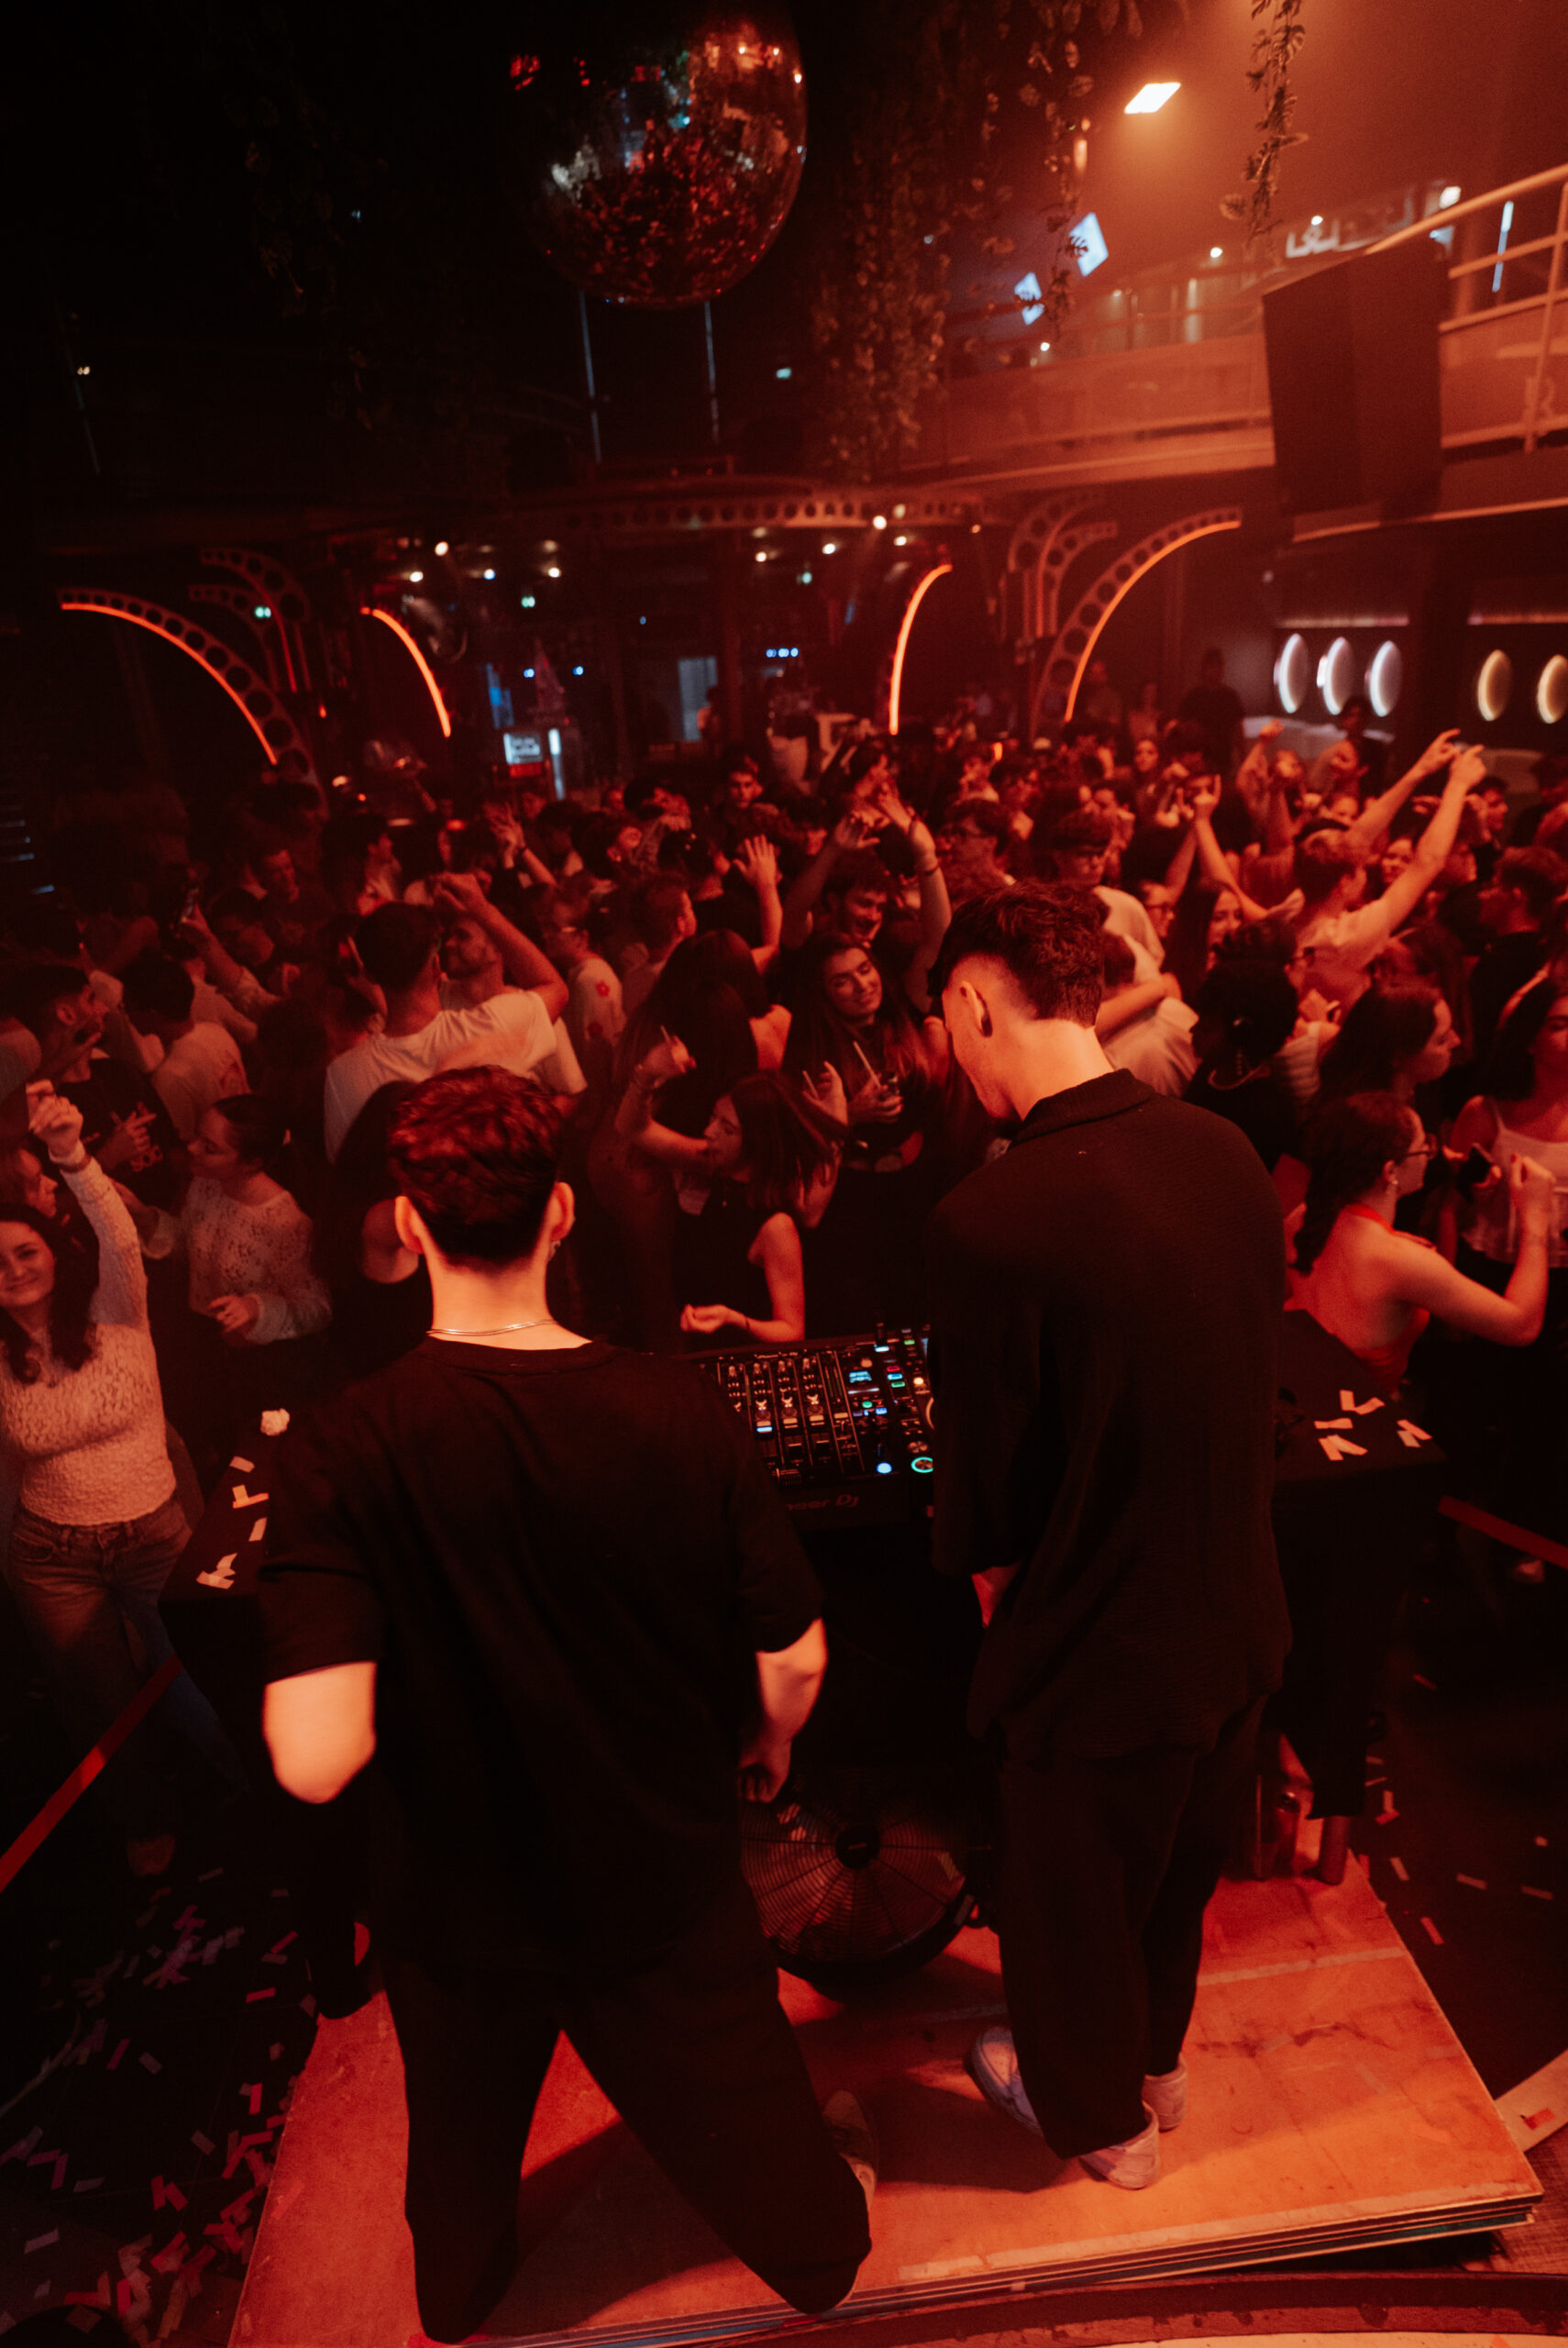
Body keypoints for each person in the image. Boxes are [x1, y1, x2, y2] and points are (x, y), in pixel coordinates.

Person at [258, 1069, 875, 2342]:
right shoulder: (678, 1405)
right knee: (754, 2118)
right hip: (654, 1871)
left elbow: (314, 1761)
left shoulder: (336, 1447)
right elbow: (797, 1656)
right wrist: (769, 1738)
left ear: (411, 1227)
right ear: (559, 1216)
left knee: (461, 2139)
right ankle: (822, 2244)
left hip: (456, 1904)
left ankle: (461, 2294)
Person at [923, 883, 1289, 2188]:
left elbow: (987, 1499)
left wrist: (1006, 1617)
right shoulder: (1223, 1149)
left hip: (1100, 1646)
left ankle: (1098, 2123)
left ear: (974, 1003)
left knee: (1072, 1905)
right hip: (1239, 1614)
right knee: (1174, 1873)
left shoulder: (989, 1217)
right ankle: (1156, 2065)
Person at [2, 1091, 237, 1877]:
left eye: (25, 1252)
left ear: (53, 1252)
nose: (12, 1271)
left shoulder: (115, 1307)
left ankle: (264, 1792)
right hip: (52, 1558)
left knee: (201, 1680)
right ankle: (144, 1818)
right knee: (99, 1704)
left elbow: (117, 1233)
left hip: (153, 1534)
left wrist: (74, 1157)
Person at [1288, 1091, 1551, 1390]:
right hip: (1362, 1407)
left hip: (1305, 1390)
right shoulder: (1400, 1261)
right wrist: (1536, 1217)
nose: (1430, 1152)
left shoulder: (1303, 1218)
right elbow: (1521, 1326)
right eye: (1422, 1146)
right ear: (1390, 1171)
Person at [323, 897, 566, 1157]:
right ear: (436, 964)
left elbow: (348, 1165)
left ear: (370, 975)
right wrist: (481, 907)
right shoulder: (491, 1026)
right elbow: (555, 988)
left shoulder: (343, 1074)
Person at [1176, 649, 1244, 778]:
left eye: (1219, 666)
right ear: (1204, 669)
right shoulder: (1194, 696)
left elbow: (1238, 730)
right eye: (1211, 666)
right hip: (1197, 760)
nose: (1215, 670)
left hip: (1223, 757)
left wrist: (1243, 759)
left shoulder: (1230, 697)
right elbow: (1182, 728)